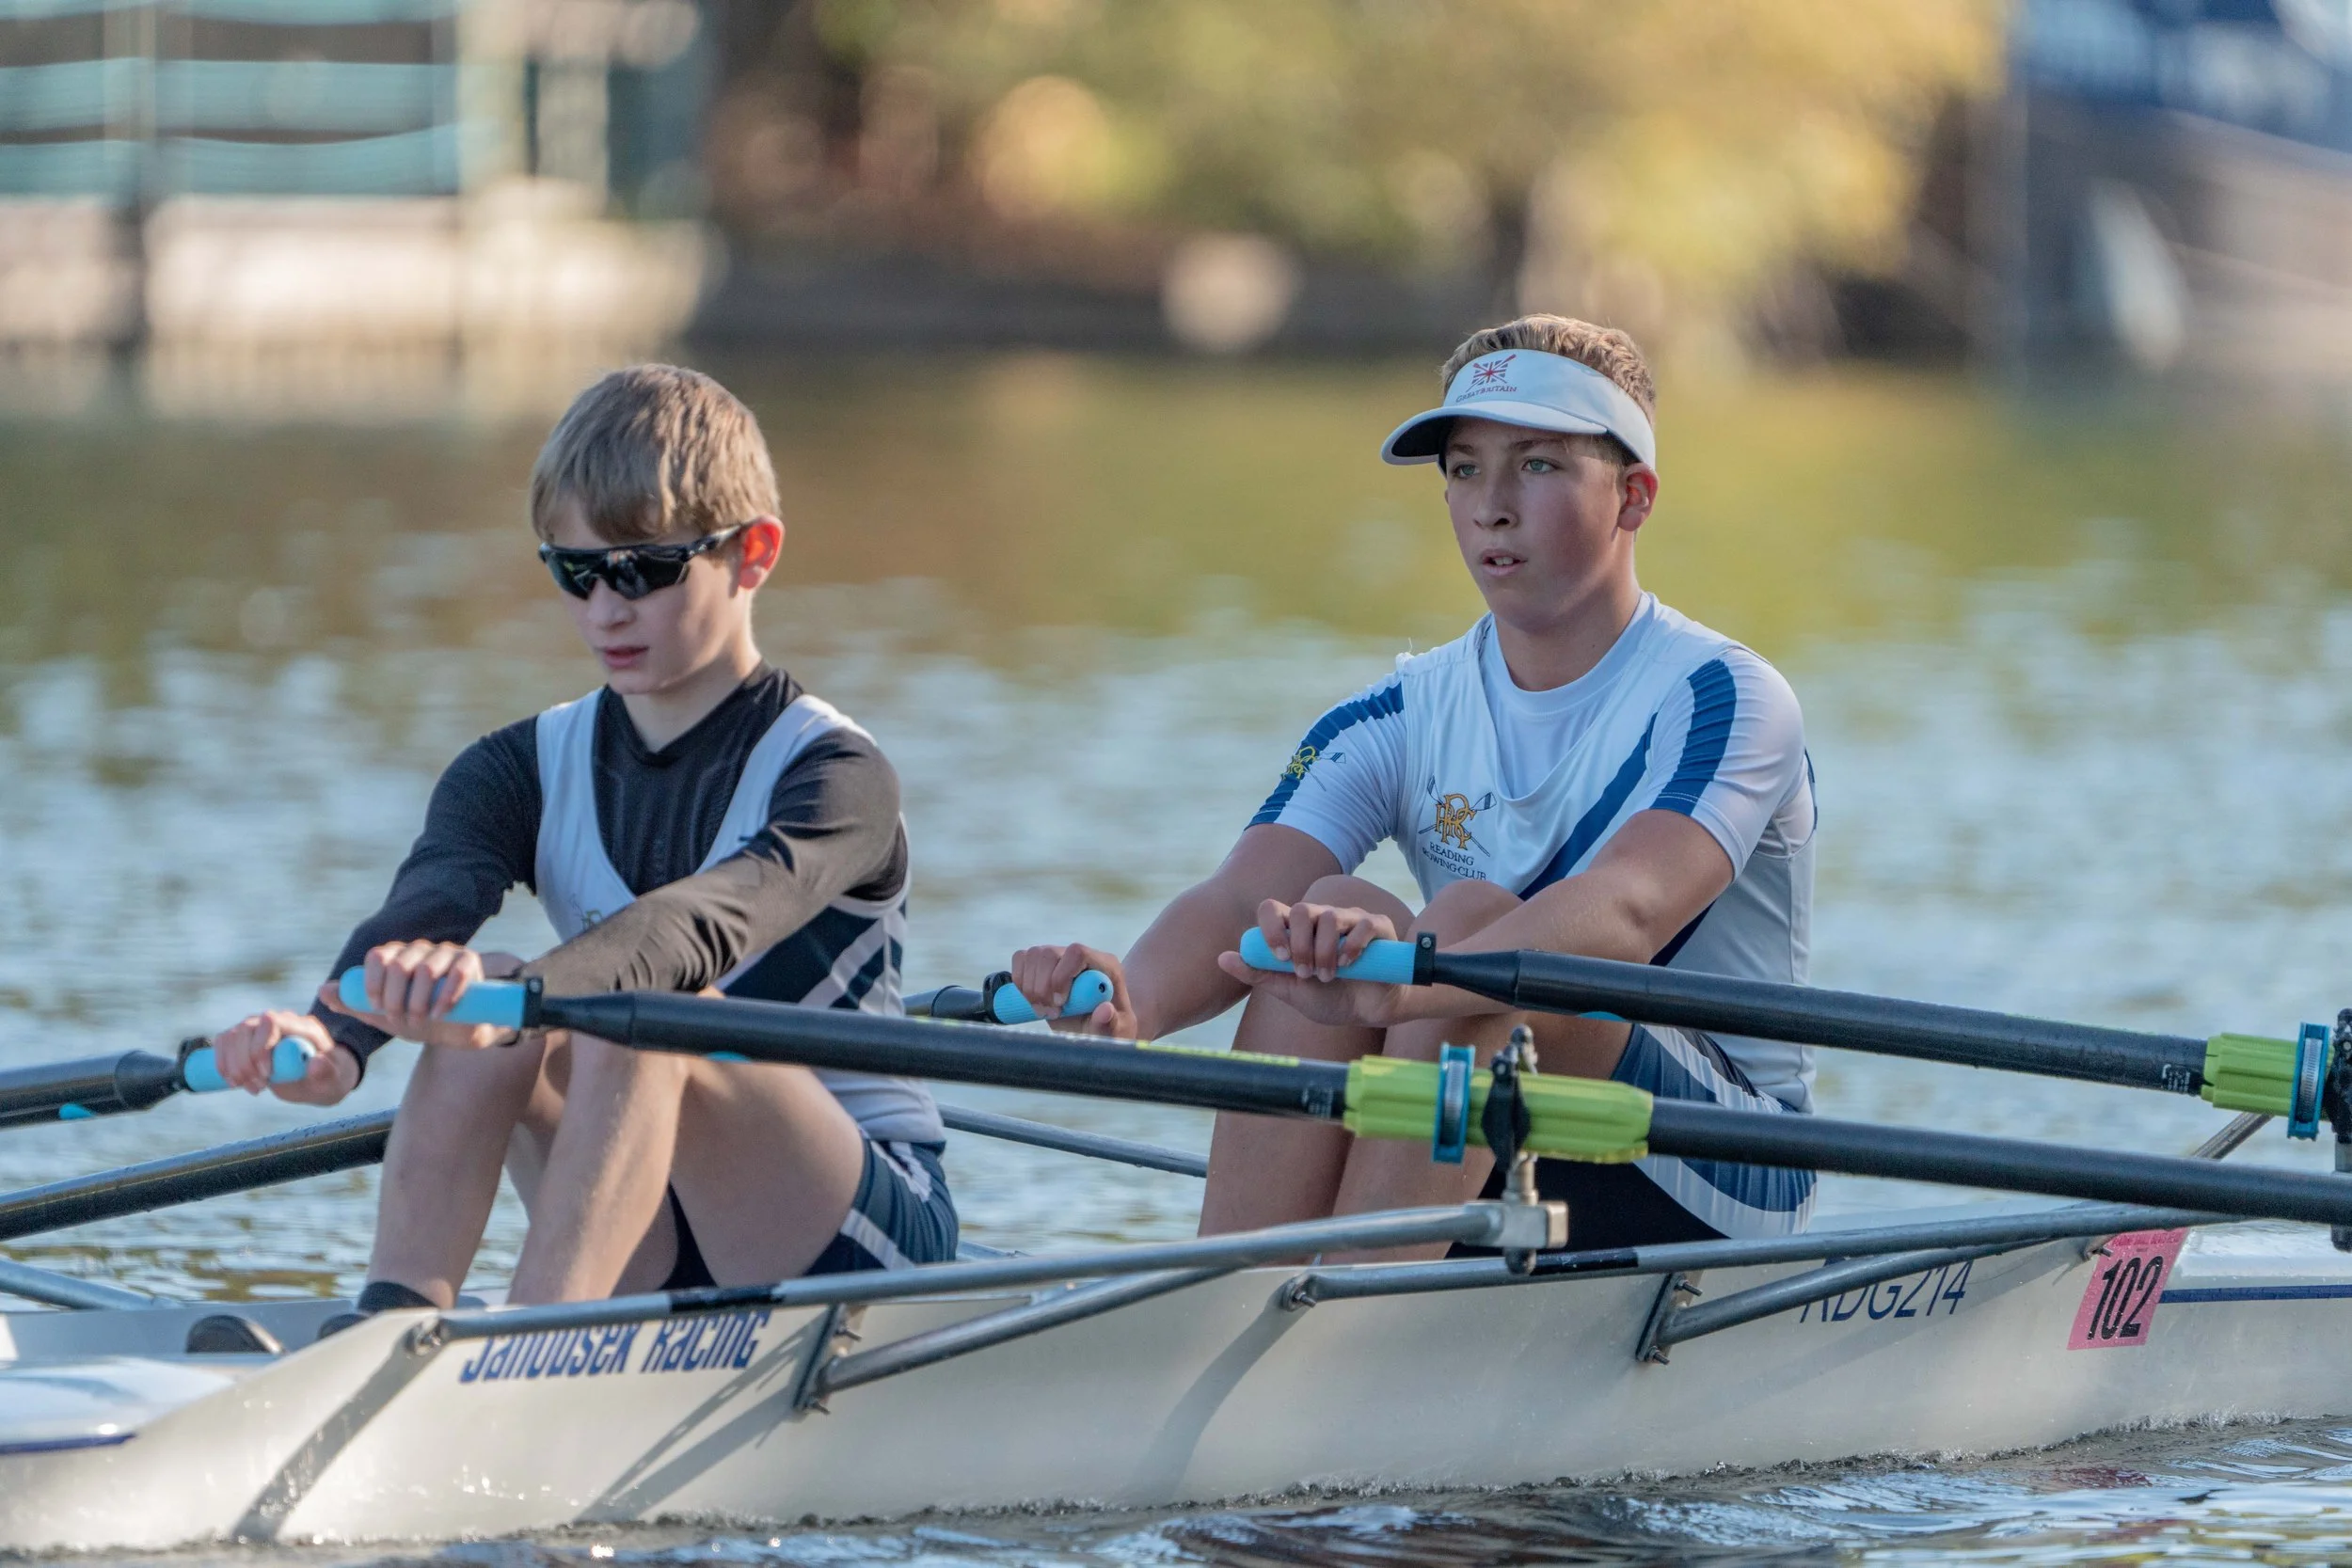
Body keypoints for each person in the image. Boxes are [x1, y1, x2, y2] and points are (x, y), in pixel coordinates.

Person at [1009, 315, 1816, 1257]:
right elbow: (1237, 896)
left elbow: (1629, 911)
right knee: (1316, 916)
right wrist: (1125, 1001)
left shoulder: (1725, 694)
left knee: (1460, 924)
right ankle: (1224, 1303)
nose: (1491, 506)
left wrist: (1413, 985)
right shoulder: (1397, 710)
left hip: (1716, 1158)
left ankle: (1345, 1335)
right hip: (1475, 1102)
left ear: (1634, 496)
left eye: (1539, 466)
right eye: (1465, 469)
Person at [206, 365, 956, 1319]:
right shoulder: (517, 767)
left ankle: (522, 1355)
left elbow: (693, 930)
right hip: (643, 1218)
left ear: (752, 552)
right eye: (574, 570)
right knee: (497, 984)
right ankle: (393, 1330)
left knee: (635, 1000)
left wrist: (509, 1001)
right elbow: (423, 905)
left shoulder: (839, 777)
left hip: (857, 1231)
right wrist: (335, 1034)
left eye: (643, 568)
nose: (605, 607)